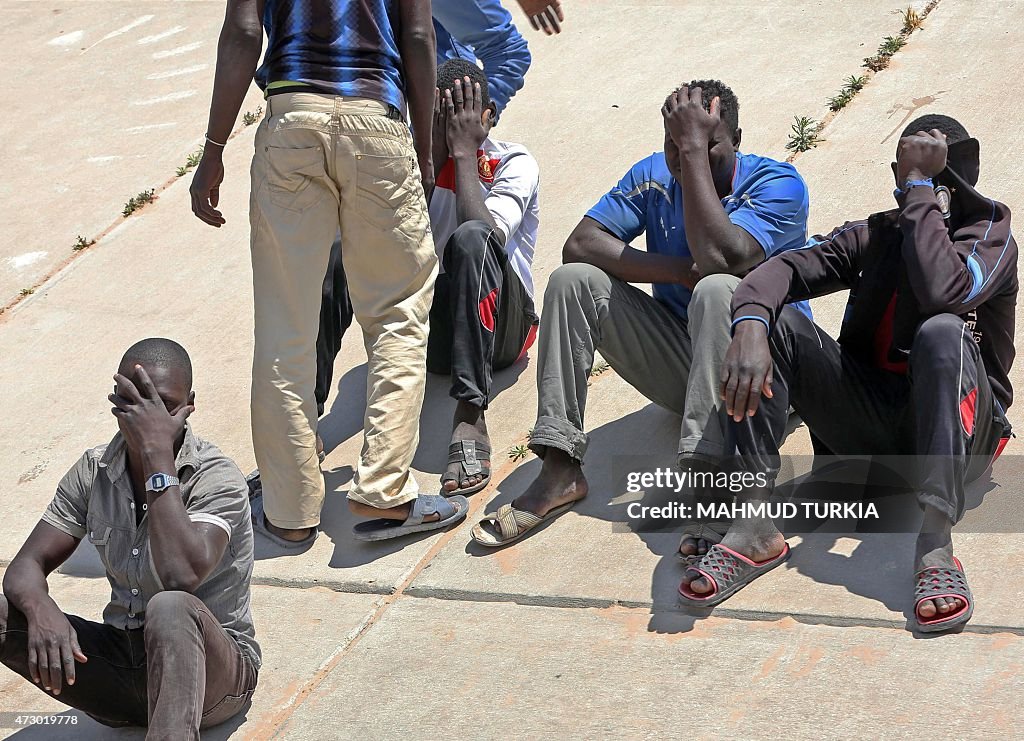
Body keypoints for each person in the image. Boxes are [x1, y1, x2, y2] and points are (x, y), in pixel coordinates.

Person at [682, 115, 1016, 634]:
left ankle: (934, 542)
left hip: (960, 438)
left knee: (942, 331)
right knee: (776, 320)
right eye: (914, 177)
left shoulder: (990, 236)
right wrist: (749, 325)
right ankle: (754, 522)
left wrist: (922, 188)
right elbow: (785, 269)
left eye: (938, 180)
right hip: (873, 436)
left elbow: (943, 292)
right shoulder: (875, 234)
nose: (931, 193)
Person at [471, 81, 811, 546]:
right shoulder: (653, 174)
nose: (685, 153)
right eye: (674, 142)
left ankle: (711, 479)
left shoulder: (778, 184)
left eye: (706, 143)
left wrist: (690, 156)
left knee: (716, 289)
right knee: (573, 281)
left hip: (766, 377)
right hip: (689, 371)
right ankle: (560, 466)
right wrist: (675, 270)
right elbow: (581, 244)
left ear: (738, 139)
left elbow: (723, 260)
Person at [190, 0, 469, 546]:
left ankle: (290, 513)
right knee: (396, 314)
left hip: (290, 120)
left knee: (284, 328)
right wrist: (420, 138)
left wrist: (214, 148)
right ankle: (385, 493)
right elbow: (417, 34)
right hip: (375, 118)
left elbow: (244, 33)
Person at [0, 339, 259, 737]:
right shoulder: (94, 469)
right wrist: (40, 610)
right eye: (133, 401)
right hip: (126, 670)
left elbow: (180, 575)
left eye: (162, 405)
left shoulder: (216, 476)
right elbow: (25, 566)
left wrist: (156, 453)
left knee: (170, 607)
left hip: (214, 681)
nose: (145, 417)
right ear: (115, 398)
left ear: (190, 404)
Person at [316, 58, 540, 497]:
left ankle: (470, 416)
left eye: (457, 116)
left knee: (473, 238)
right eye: (433, 116)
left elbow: (490, 238)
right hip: (431, 331)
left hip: (502, 332)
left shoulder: (513, 161)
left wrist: (462, 154)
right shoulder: (411, 162)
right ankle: (305, 423)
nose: (443, 127)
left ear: (487, 116)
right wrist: (429, 161)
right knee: (345, 252)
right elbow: (385, 240)